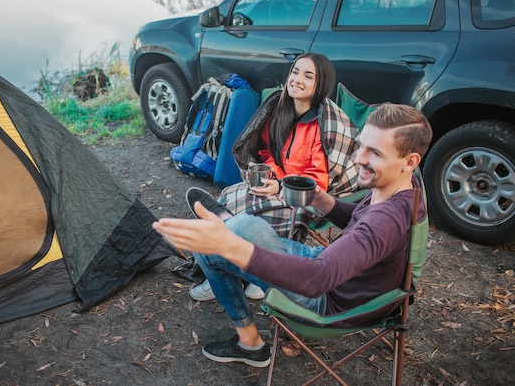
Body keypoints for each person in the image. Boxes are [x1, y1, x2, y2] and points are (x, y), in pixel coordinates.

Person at [153, 103, 432, 368]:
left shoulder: (386, 221)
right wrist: (323, 201)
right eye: (361, 145)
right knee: (248, 227)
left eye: (375, 152)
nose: (359, 158)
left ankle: (249, 343)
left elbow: (317, 278)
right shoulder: (403, 185)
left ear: (410, 161)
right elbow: (357, 221)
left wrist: (230, 247)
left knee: (211, 248)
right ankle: (230, 224)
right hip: (344, 276)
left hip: (329, 303)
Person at [189, 52, 359, 302]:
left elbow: (317, 181)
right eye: (295, 72)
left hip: (304, 196)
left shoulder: (321, 127)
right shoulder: (280, 111)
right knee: (231, 196)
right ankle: (230, 268)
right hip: (277, 185)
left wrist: (279, 186)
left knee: (250, 214)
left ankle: (258, 272)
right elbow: (268, 152)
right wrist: (269, 175)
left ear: (319, 84)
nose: (297, 79)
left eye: (308, 75)